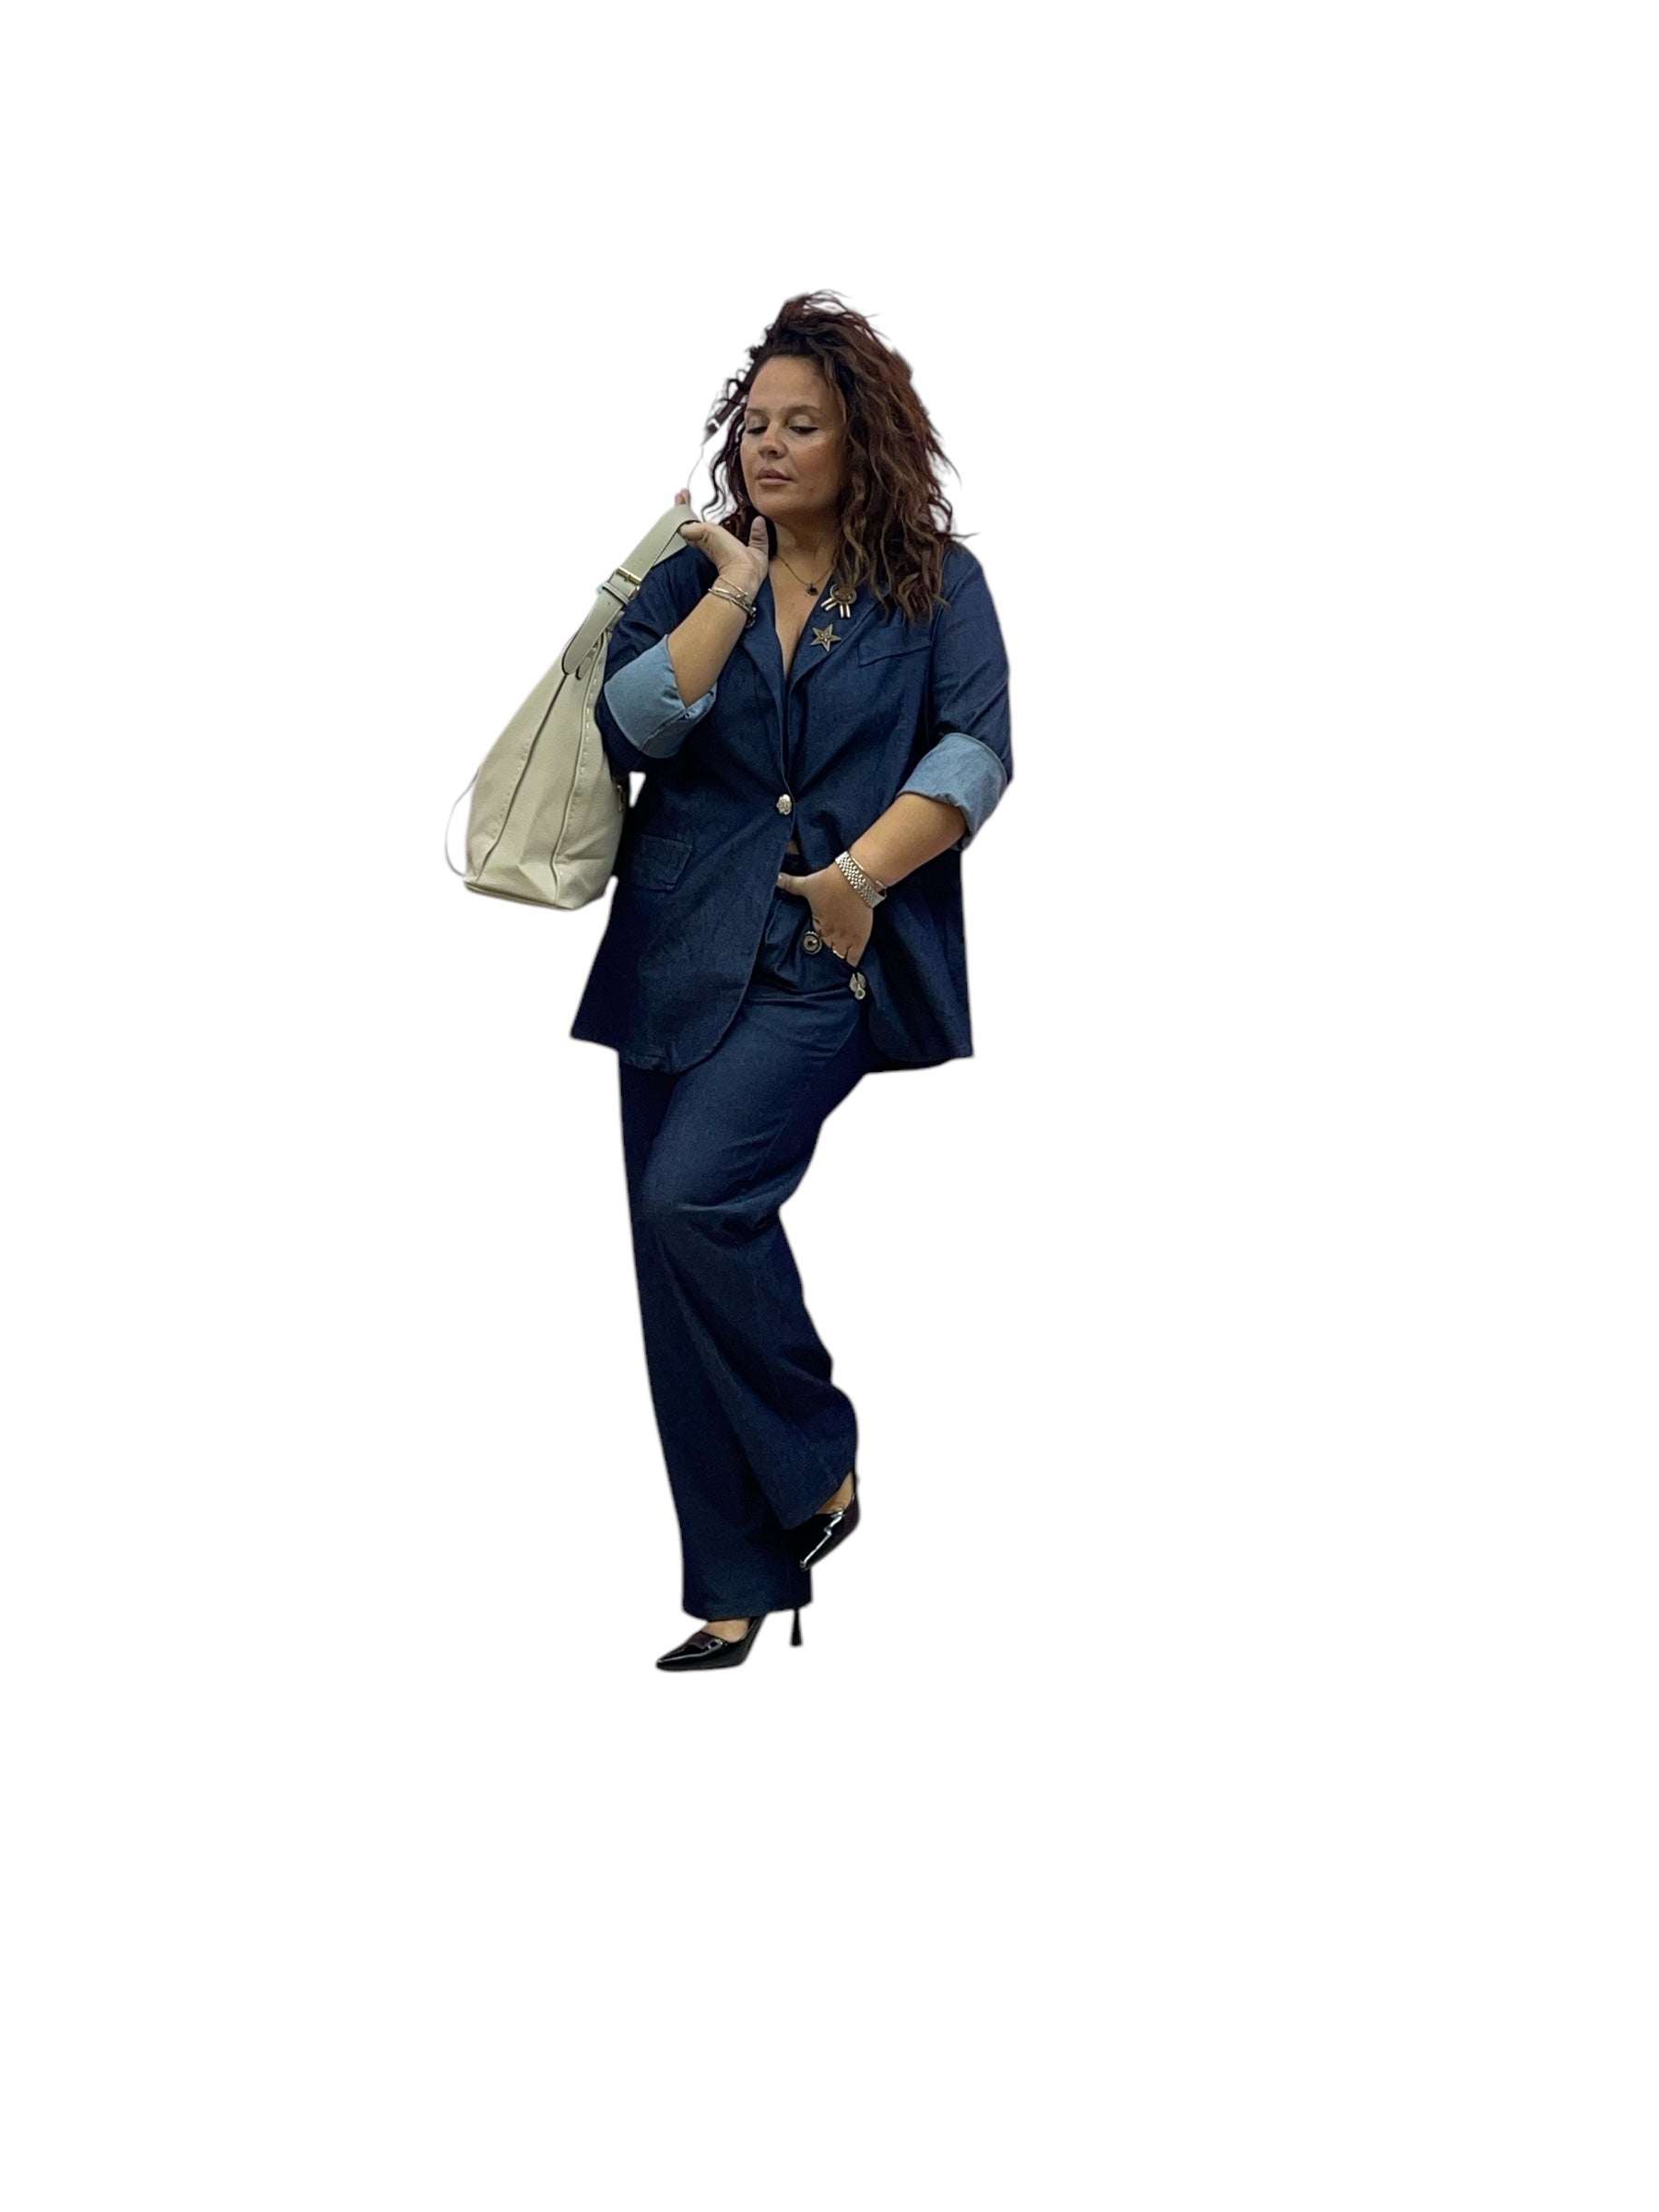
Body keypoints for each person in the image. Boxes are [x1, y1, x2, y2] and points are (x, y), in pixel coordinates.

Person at [569, 291, 1014, 1670]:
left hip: (826, 957)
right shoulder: (693, 568)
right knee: (671, 1261)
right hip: (672, 955)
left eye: (800, 424)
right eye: (754, 422)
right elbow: (631, 727)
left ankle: (819, 1458)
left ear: (860, 438)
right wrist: (731, 592)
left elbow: (974, 752)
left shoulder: (936, 585)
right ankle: (735, 1584)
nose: (767, 444)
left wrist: (858, 880)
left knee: (695, 1198)